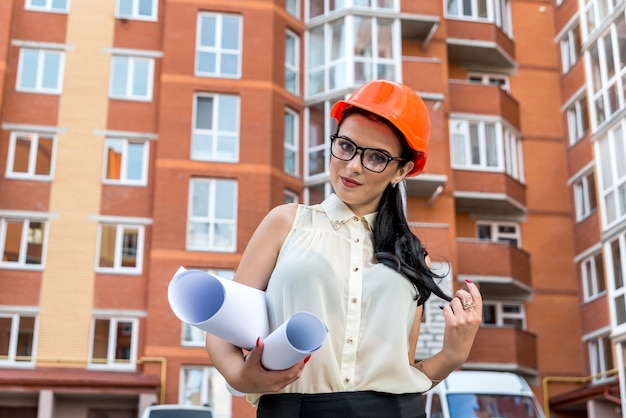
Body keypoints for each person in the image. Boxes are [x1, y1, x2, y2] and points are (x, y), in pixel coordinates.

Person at [205, 80, 483, 418]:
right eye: (346, 147)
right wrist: (240, 376)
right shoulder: (285, 223)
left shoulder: (411, 257)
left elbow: (404, 370)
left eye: (377, 157)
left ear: (402, 170)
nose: (353, 166)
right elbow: (222, 330)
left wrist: (453, 354)